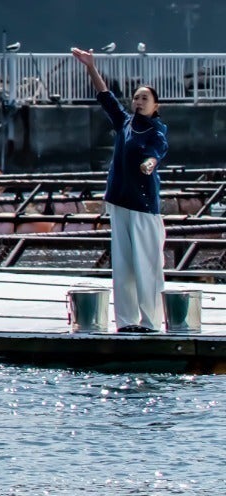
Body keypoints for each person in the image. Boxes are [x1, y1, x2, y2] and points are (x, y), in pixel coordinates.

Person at [72, 47, 167, 331]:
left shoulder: (156, 130)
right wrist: (90, 66)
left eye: (145, 98)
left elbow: (158, 151)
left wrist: (149, 163)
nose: (139, 101)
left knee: (147, 265)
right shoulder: (125, 122)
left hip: (144, 206)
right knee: (123, 266)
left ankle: (150, 322)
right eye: (136, 97)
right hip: (119, 201)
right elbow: (106, 98)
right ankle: (126, 322)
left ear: (155, 106)